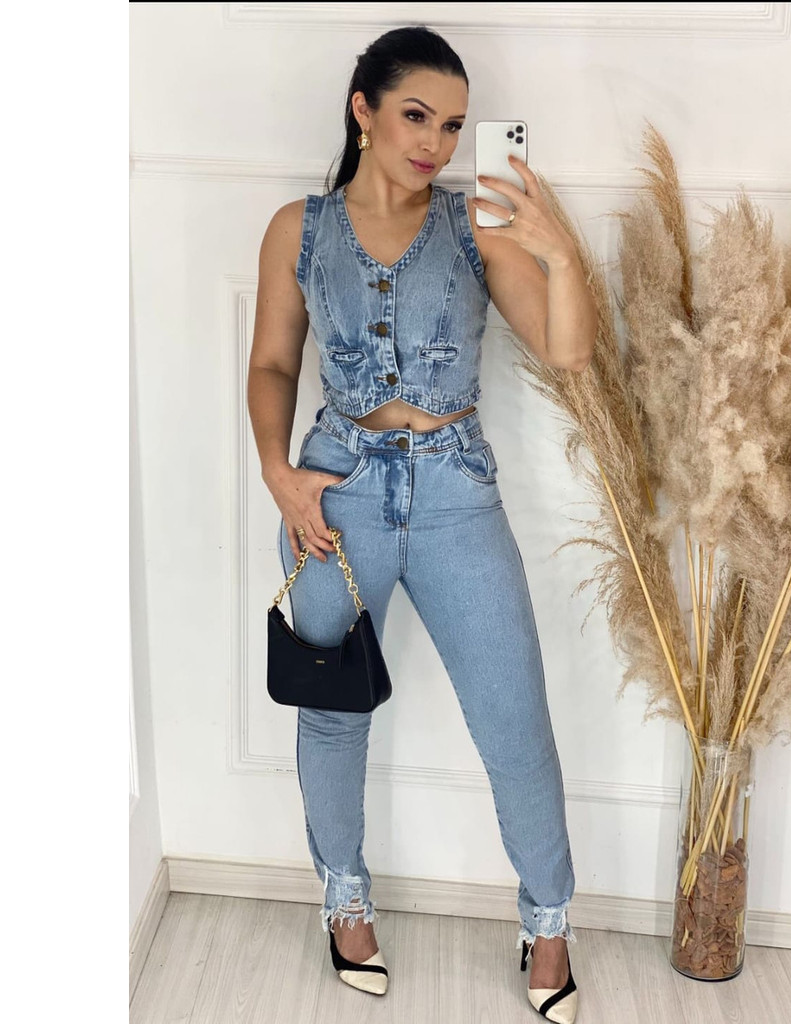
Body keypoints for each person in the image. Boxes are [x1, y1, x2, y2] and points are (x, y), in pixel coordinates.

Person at [247, 25, 596, 1024]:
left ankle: (548, 921)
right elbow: (272, 363)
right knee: (332, 710)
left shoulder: (474, 223)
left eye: (451, 124)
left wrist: (557, 250)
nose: (435, 142)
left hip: (455, 491)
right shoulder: (298, 229)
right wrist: (278, 475)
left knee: (514, 717)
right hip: (334, 493)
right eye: (416, 116)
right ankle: (345, 902)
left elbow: (568, 352)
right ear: (362, 109)